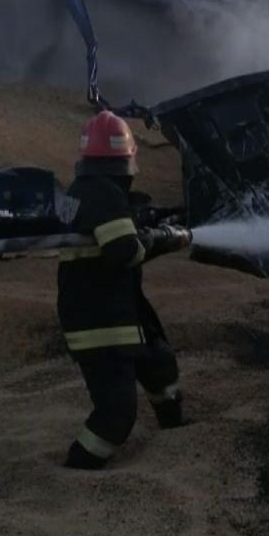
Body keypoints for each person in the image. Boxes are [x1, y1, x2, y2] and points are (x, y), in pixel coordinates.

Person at [57, 111, 192, 470]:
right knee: (117, 412)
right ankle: (78, 465)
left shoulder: (85, 190)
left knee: (160, 362)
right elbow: (125, 251)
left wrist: (144, 222)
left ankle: (176, 431)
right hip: (101, 325)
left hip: (117, 312)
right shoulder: (104, 195)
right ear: (127, 159)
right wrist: (161, 239)